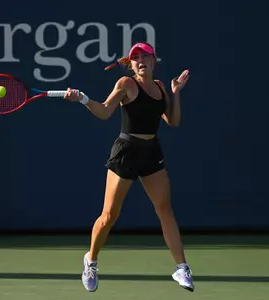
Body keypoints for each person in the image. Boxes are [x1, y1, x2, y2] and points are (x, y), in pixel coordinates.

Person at [62, 42, 193, 292]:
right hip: (127, 152)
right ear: (131, 64)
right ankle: (91, 259)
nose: (141, 60)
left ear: (154, 61)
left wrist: (175, 93)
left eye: (145, 56)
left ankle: (181, 268)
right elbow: (104, 111)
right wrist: (83, 99)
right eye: (136, 58)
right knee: (110, 215)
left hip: (152, 152)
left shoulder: (160, 88)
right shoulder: (126, 85)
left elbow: (173, 122)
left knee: (165, 209)